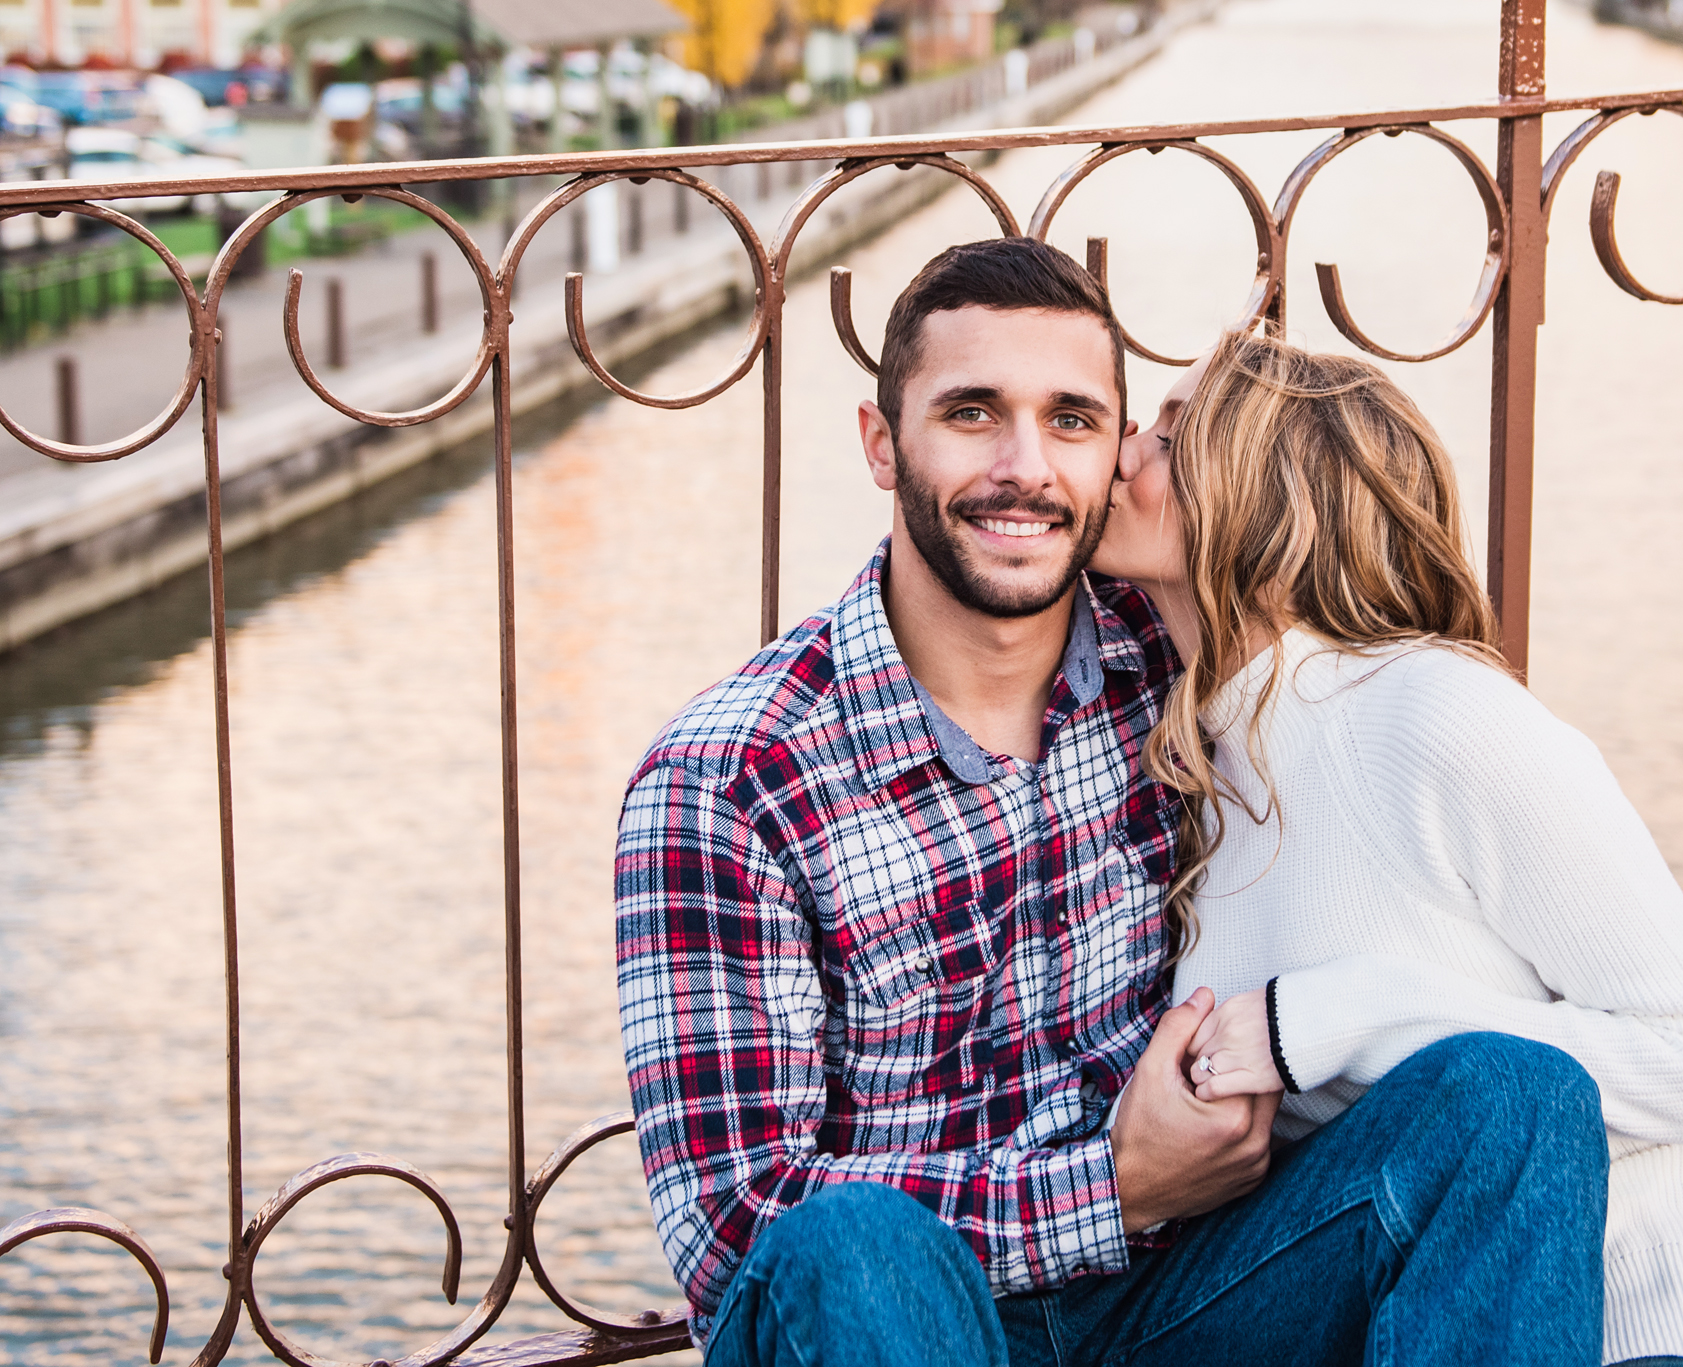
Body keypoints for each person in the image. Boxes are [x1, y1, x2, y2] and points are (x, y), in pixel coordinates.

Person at [615, 238, 1613, 1367]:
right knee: (844, 1244)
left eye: (1074, 421)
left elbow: (1348, 584)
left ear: (1115, 453)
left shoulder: (1173, 654)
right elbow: (732, 1229)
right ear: (881, 445)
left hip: (1190, 1295)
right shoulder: (729, 778)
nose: (1024, 466)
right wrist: (1112, 1186)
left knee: (1509, 1094)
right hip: (916, 1323)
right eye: (972, 413)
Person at [1087, 330, 1683, 1367]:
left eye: (1172, 434)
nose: (1123, 450)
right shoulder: (1205, 771)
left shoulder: (1431, 713)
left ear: (1267, 501)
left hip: (1642, 1303)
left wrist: (1350, 1018)